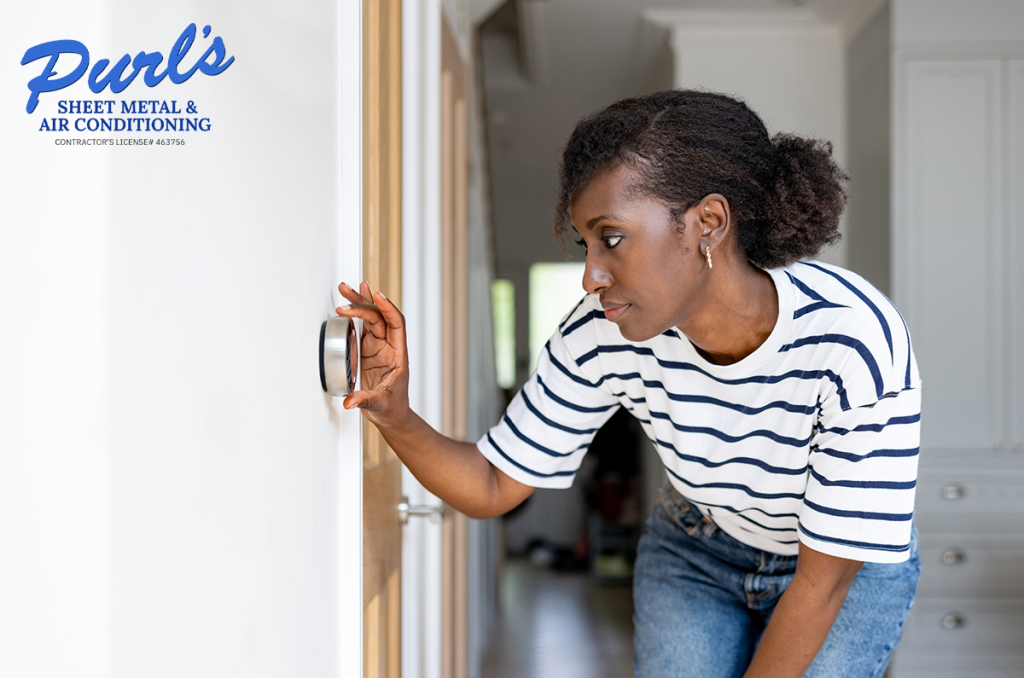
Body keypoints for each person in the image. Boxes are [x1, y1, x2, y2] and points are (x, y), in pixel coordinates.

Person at [335, 90, 921, 678]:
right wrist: (394, 413)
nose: (591, 276)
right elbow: (492, 485)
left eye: (610, 238)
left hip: (841, 568)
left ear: (708, 224)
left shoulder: (852, 339)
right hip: (696, 546)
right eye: (585, 243)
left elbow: (824, 581)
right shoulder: (600, 333)